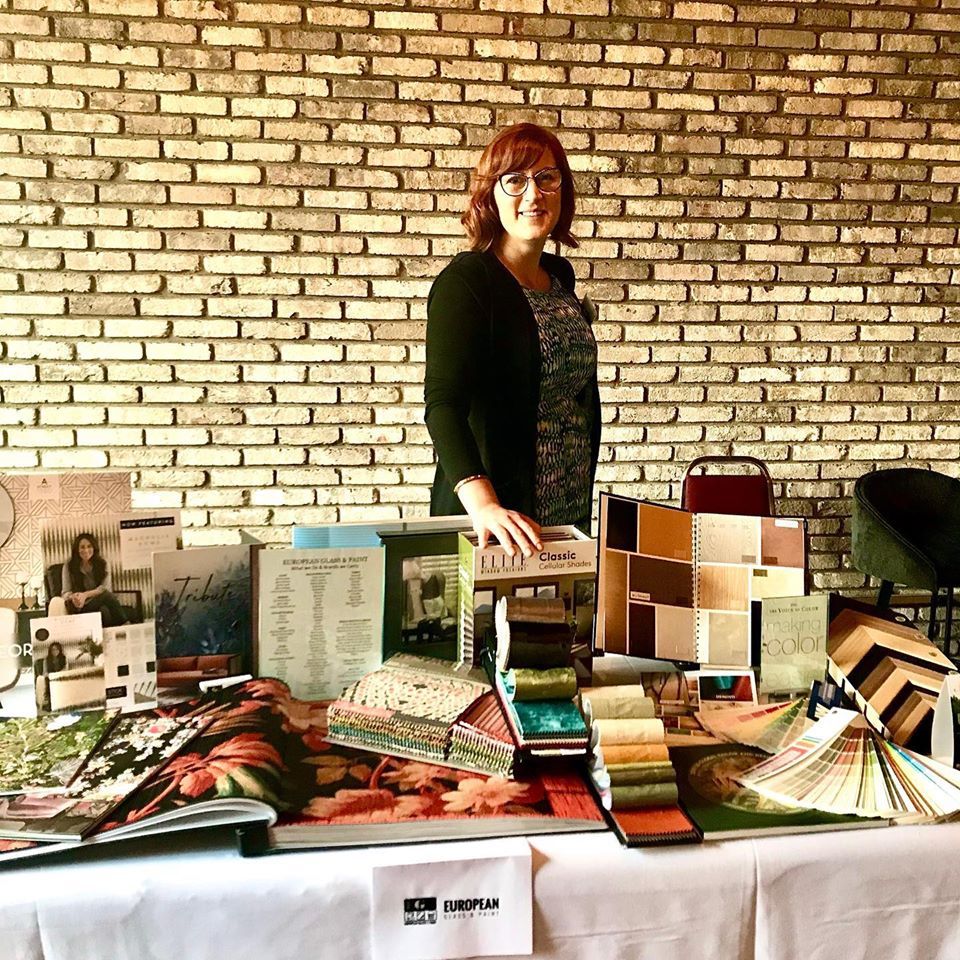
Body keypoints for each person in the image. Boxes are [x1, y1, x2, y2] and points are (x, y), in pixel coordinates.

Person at [424, 123, 600, 558]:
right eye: (515, 180)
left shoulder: (559, 278)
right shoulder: (466, 282)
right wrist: (484, 504)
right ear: (490, 196)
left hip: (568, 511)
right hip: (501, 524)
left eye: (546, 177)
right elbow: (443, 405)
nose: (533, 194)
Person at [61, 532, 128, 628]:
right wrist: (75, 597)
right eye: (82, 547)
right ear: (77, 549)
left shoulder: (103, 563)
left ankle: (106, 638)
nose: (86, 550)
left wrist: (85, 595)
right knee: (108, 597)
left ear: (94, 548)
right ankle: (126, 626)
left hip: (99, 601)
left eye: (89, 546)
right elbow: (65, 592)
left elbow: (105, 588)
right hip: (79, 606)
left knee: (103, 610)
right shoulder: (69, 565)